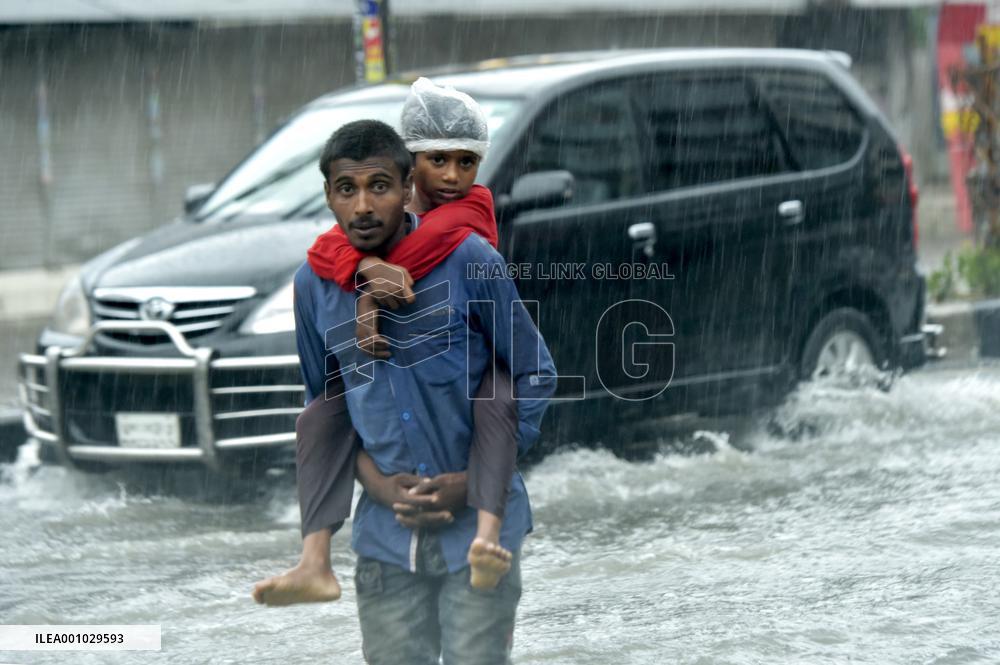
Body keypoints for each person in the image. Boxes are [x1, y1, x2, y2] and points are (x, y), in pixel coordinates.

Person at [252, 80, 527, 607]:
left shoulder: (468, 221)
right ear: (410, 163)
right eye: (437, 159)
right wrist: (365, 270)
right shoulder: (361, 227)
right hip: (386, 530)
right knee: (321, 412)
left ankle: (487, 533)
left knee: (499, 394)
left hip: (474, 366)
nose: (451, 176)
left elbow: (411, 263)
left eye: (467, 162)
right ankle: (314, 561)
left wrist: (364, 287)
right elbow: (331, 251)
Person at [295, 118, 555, 663]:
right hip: (385, 542)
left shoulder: (469, 261)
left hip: (480, 536)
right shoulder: (314, 284)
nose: (363, 206)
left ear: (409, 187)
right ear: (328, 196)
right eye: (347, 190)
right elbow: (329, 407)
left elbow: (533, 373)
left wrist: (475, 482)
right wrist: (379, 486)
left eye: (380, 187)